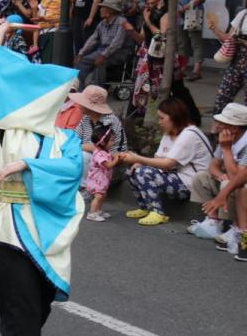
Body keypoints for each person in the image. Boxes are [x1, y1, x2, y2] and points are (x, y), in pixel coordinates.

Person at [0, 20, 84, 336]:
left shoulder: (66, 137)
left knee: (37, 308)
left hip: (51, 233)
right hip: (13, 233)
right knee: (21, 315)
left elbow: (72, 170)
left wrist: (27, 164)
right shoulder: (10, 128)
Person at [115, 97, 213, 226]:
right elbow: (158, 159)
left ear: (174, 117)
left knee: (144, 172)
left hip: (190, 184)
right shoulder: (170, 132)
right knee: (133, 171)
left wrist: (138, 158)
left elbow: (168, 163)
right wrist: (139, 163)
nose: (159, 122)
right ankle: (145, 207)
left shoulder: (189, 134)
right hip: (176, 177)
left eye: (162, 118)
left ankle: (158, 212)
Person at [189, 103, 247, 258]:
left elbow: (239, 177)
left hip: (241, 186)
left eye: (222, 122)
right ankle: (214, 222)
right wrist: (218, 174)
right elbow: (213, 165)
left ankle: (237, 230)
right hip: (233, 180)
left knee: (230, 184)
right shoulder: (226, 138)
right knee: (201, 177)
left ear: (234, 128)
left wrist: (227, 149)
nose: (217, 125)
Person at [76, 0, 131, 86]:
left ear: (111, 11)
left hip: (119, 52)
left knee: (101, 62)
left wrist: (103, 56)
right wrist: (81, 53)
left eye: (103, 7)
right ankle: (78, 89)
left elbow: (117, 43)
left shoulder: (121, 21)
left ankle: (97, 89)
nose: (100, 10)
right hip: (103, 50)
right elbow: (92, 39)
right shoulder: (102, 23)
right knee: (83, 61)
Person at [178, 0, 214, 80]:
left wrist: (186, 7)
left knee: (196, 41)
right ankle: (182, 68)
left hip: (194, 12)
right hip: (180, 12)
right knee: (182, 42)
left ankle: (197, 70)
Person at [207, 9, 247, 113]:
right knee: (222, 98)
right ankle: (217, 126)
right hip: (237, 63)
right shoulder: (243, 14)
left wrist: (243, 42)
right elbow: (228, 38)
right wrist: (214, 29)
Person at [83, 123, 118, 222]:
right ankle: (92, 213)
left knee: (102, 196)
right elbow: (108, 165)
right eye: (111, 140)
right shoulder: (99, 154)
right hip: (97, 181)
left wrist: (115, 156)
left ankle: (98, 210)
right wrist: (116, 159)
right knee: (98, 197)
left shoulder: (105, 152)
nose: (113, 142)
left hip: (102, 180)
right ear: (102, 142)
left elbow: (110, 157)